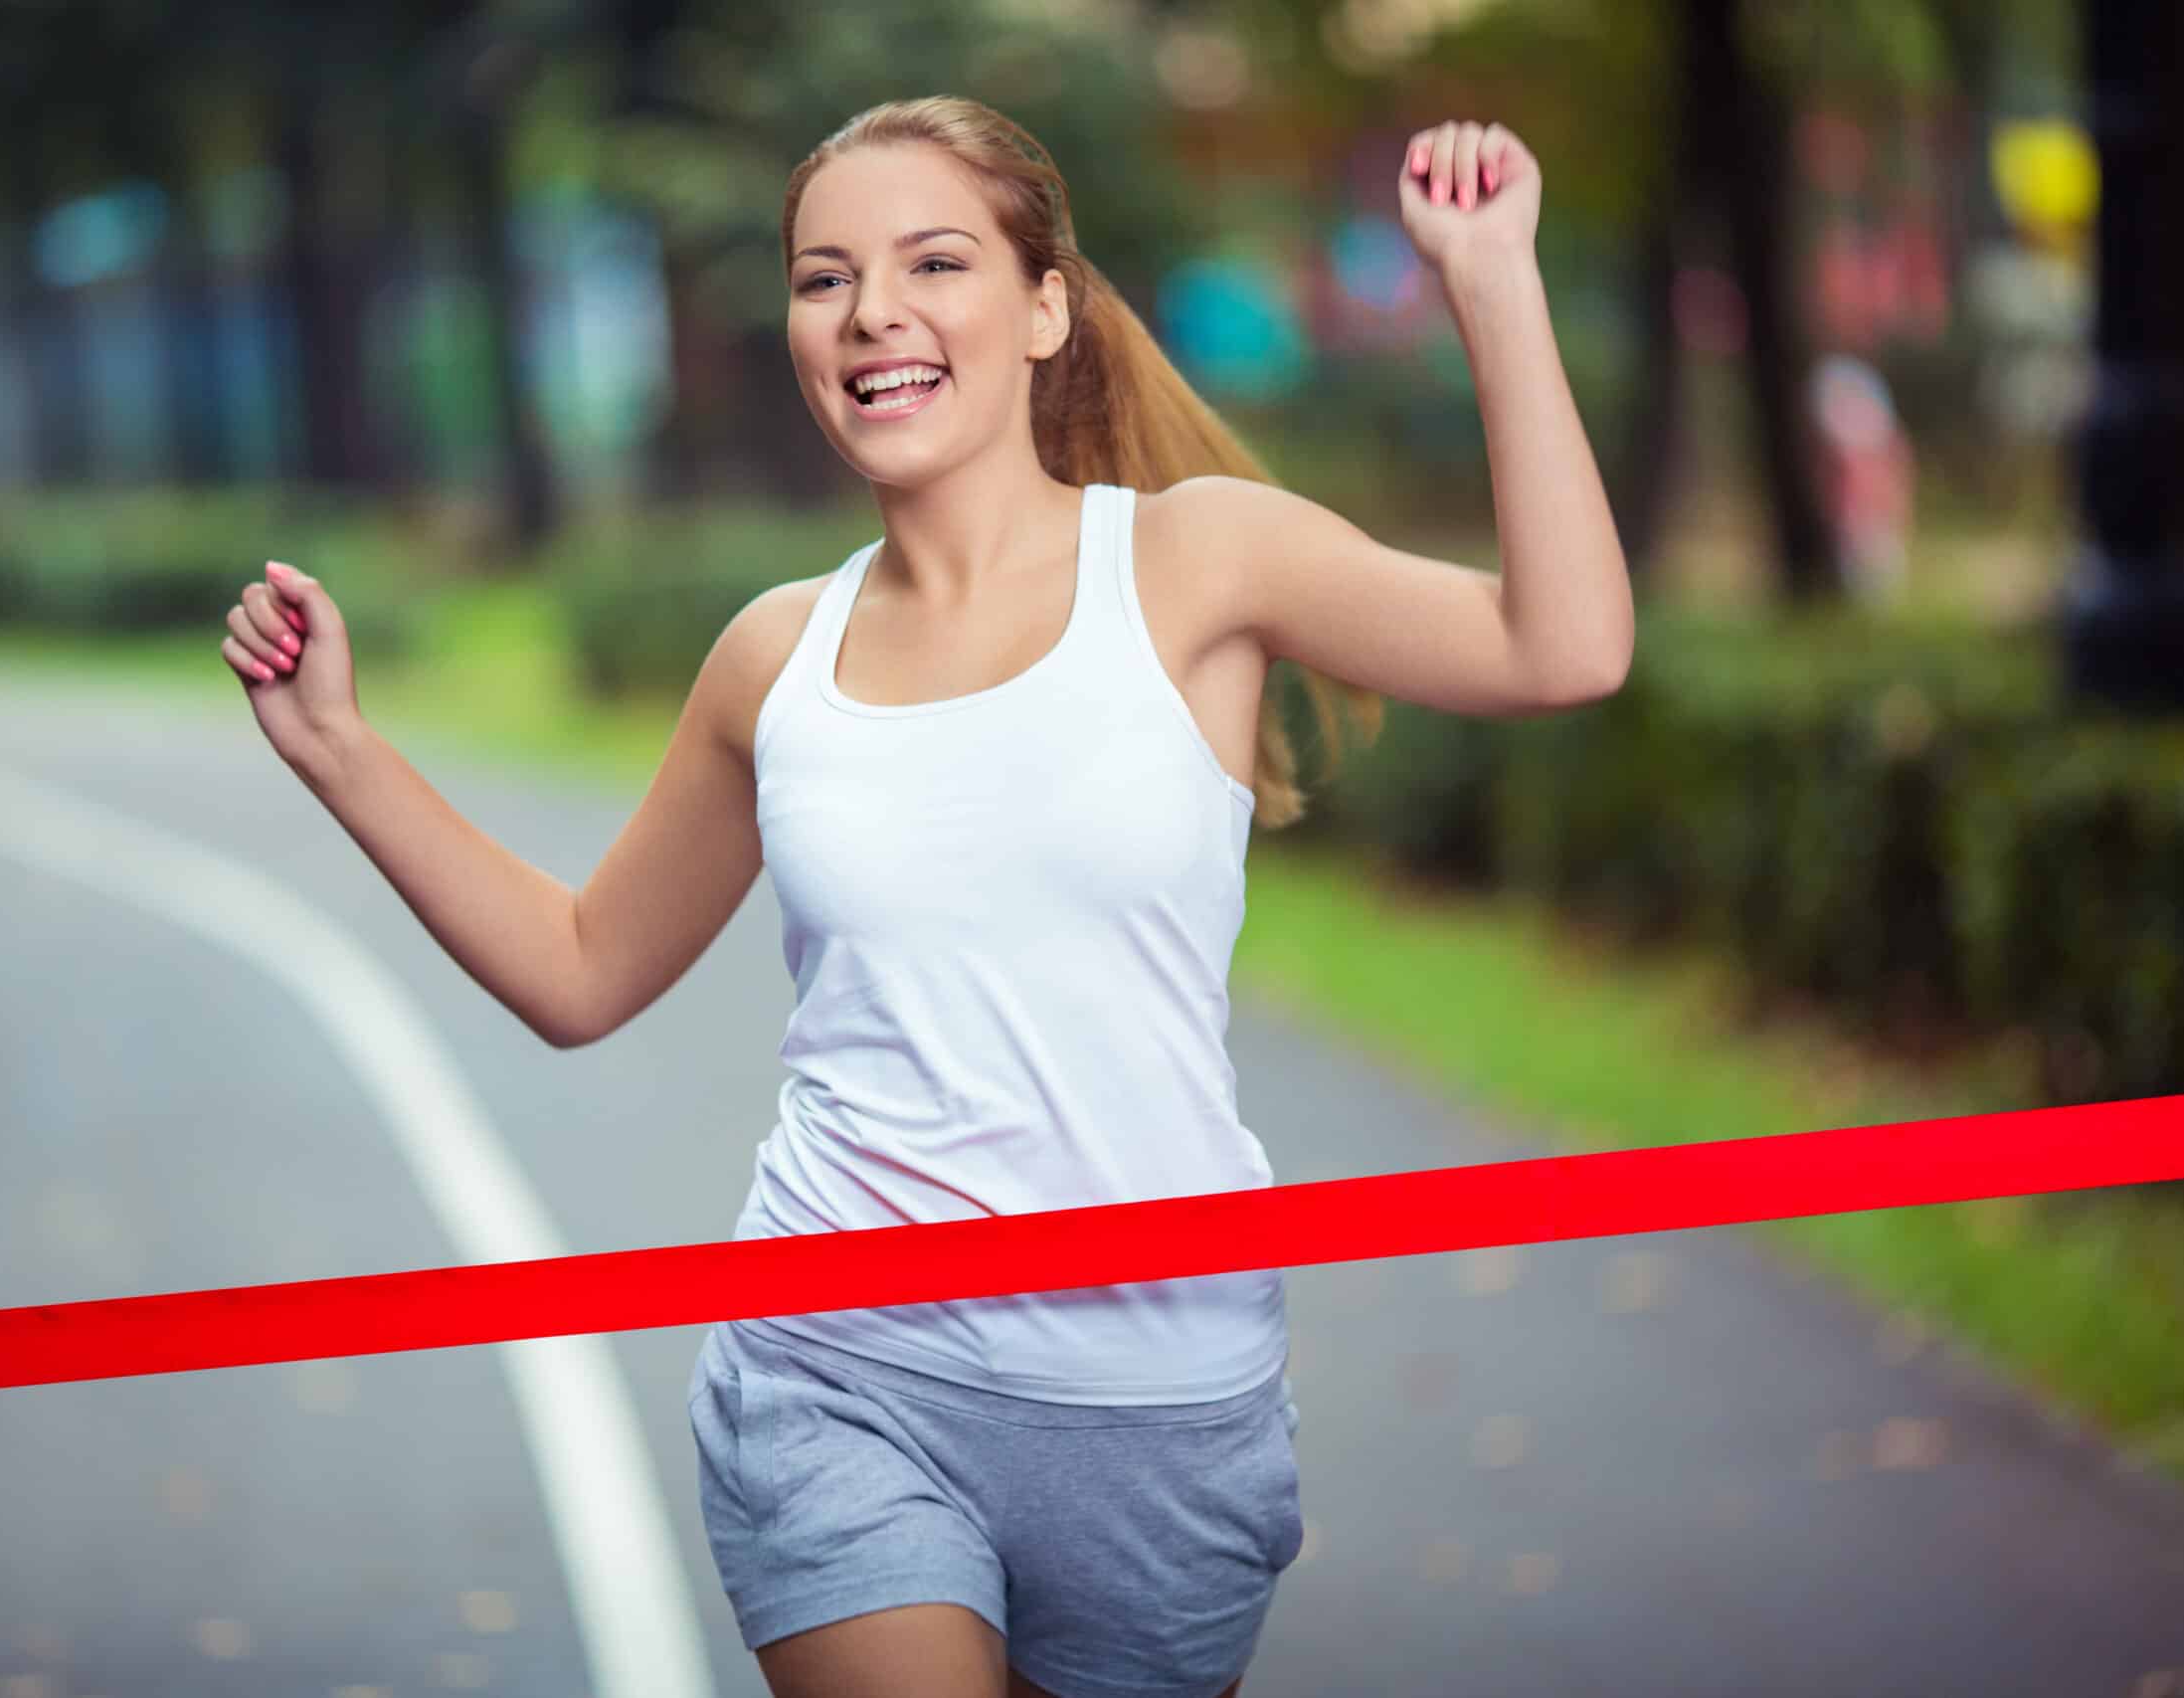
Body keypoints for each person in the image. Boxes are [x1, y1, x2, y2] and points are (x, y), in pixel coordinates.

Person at [220, 95, 1632, 1698]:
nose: (871, 311)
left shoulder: (1199, 563)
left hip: (1161, 1406)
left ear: (1045, 309)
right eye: (825, 279)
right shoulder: (774, 657)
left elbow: (1561, 646)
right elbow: (579, 968)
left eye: (932, 262)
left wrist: (1494, 281)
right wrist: (340, 752)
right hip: (841, 1371)